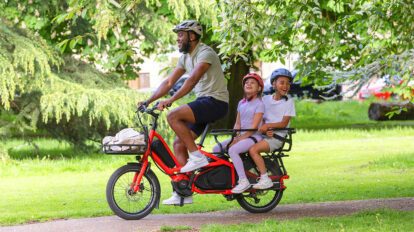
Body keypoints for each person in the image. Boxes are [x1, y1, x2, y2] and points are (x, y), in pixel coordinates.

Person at [139, 20, 229, 205]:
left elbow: (192, 80)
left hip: (216, 102)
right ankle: (183, 192)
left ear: (193, 36)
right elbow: (169, 82)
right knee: (179, 144)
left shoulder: (206, 53)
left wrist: (171, 101)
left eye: (181, 35)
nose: (178, 39)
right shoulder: (185, 58)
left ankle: (197, 157)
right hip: (203, 101)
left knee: (173, 115)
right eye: (178, 35)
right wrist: (148, 100)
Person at [212, 73, 264, 194]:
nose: (248, 84)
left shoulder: (259, 104)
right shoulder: (241, 103)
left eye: (252, 83)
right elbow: (238, 124)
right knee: (216, 148)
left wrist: (238, 140)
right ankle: (228, 176)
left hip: (254, 137)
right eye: (246, 82)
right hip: (242, 136)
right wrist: (234, 137)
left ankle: (243, 181)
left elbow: (254, 127)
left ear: (259, 88)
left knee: (233, 150)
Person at [248, 68, 296, 189]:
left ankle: (265, 179)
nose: (285, 86)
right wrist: (264, 128)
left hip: (277, 138)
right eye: (282, 82)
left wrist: (268, 126)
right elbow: (260, 117)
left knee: (253, 150)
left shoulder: (289, 102)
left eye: (288, 83)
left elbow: (284, 123)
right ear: (274, 84)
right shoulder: (265, 99)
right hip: (265, 134)